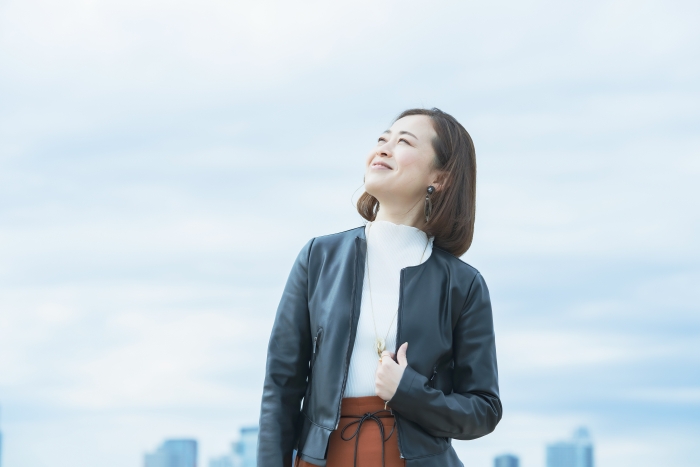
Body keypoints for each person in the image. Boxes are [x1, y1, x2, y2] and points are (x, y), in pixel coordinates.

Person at [257, 108, 502, 467]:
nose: (384, 148)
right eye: (382, 139)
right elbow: (280, 387)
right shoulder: (318, 257)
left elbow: (484, 409)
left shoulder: (464, 285)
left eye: (403, 142)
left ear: (440, 177)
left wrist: (409, 392)